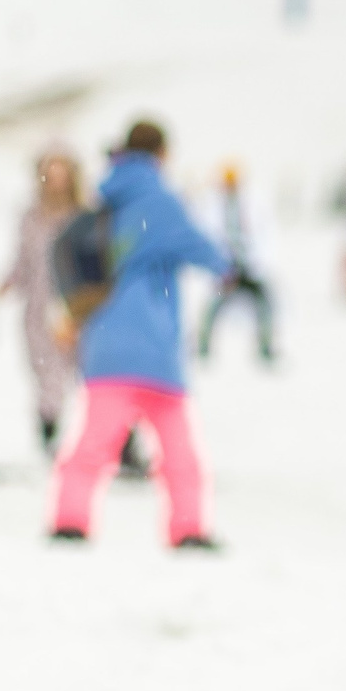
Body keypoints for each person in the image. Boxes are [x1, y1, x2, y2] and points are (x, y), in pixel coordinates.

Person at [49, 119, 231, 550]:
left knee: (92, 445)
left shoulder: (107, 197)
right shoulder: (160, 200)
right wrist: (234, 271)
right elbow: (205, 252)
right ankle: (188, 529)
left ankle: (69, 521)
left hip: (105, 342)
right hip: (153, 347)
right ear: (162, 154)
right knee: (179, 452)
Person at [0, 147, 83, 453]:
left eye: (63, 172)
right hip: (39, 307)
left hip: (78, 307)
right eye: (52, 172)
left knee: (90, 371)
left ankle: (115, 440)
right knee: (46, 375)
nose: (57, 180)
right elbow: (23, 261)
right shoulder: (31, 216)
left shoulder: (85, 214)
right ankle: (49, 437)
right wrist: (8, 283)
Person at [196, 162, 277, 365]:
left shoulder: (254, 202)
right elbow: (209, 234)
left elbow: (265, 233)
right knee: (213, 306)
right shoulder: (212, 204)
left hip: (251, 265)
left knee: (264, 304)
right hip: (227, 267)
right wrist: (219, 263)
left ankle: (265, 346)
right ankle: (203, 346)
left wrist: (259, 261)